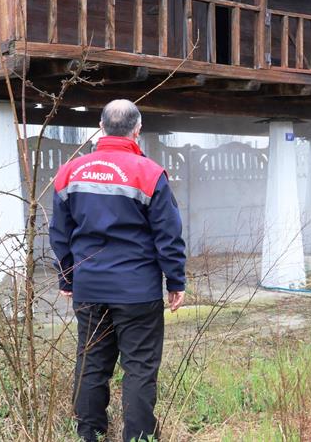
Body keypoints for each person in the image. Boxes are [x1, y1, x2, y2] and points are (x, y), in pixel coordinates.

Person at [50, 99, 186, 442]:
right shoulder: (150, 173)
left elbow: (59, 232)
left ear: (100, 127)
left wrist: (67, 276)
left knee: (91, 362)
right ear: (137, 130)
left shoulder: (70, 172)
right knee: (139, 367)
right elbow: (168, 235)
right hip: (137, 291)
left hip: (89, 288)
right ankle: (138, 437)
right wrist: (175, 280)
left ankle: (89, 434)